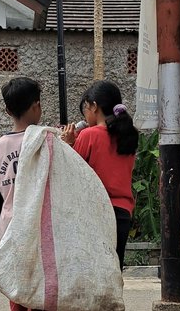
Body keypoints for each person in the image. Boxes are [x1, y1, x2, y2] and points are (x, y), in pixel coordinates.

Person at [61, 80, 139, 270]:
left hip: (95, 210)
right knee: (114, 268)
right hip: (122, 212)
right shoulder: (128, 136)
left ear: (94, 106)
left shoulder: (89, 135)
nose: (85, 116)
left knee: (93, 271)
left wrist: (67, 145)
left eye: (85, 109)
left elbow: (72, 172)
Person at [0, 77, 42, 311]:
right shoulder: (45, 139)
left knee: (16, 292)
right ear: (37, 106)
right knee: (40, 289)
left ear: (7, 109)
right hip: (40, 228)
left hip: (9, 227)